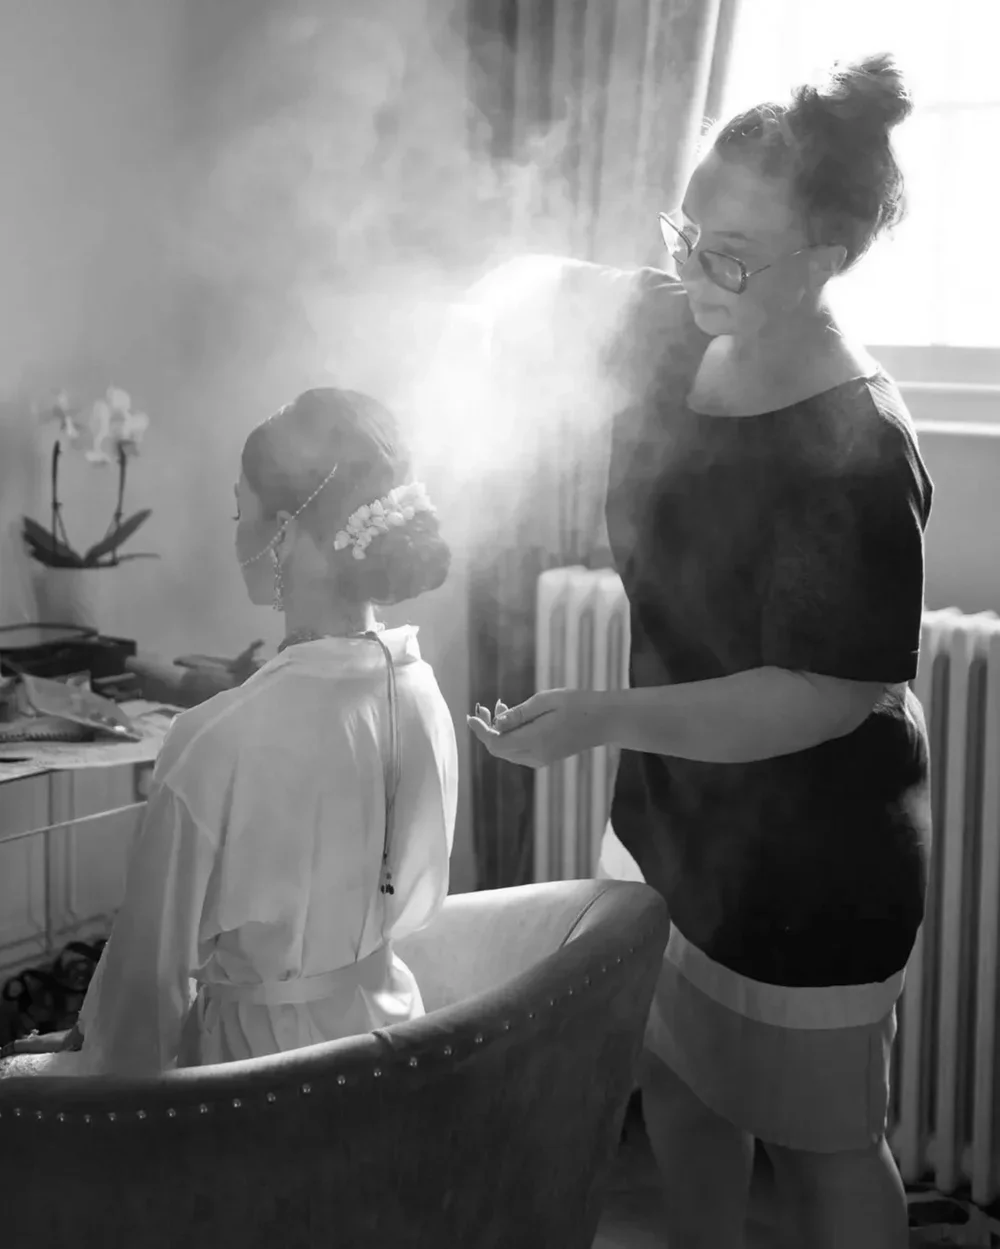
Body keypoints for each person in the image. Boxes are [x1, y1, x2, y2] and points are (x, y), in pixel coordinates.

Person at [469, 54, 930, 1249]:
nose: (691, 268)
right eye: (686, 229)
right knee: (677, 1079)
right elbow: (550, 287)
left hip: (811, 856)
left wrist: (604, 715)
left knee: (824, 1145)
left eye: (730, 252)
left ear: (823, 264)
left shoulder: (853, 445)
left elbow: (818, 697)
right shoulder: (684, 320)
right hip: (674, 819)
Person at [2, 387, 458, 1078]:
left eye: (241, 510)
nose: (234, 530)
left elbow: (142, 1007)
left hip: (253, 1085)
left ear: (284, 533)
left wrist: (52, 1062)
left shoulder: (214, 741)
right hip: (395, 1045)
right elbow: (418, 897)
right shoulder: (420, 687)